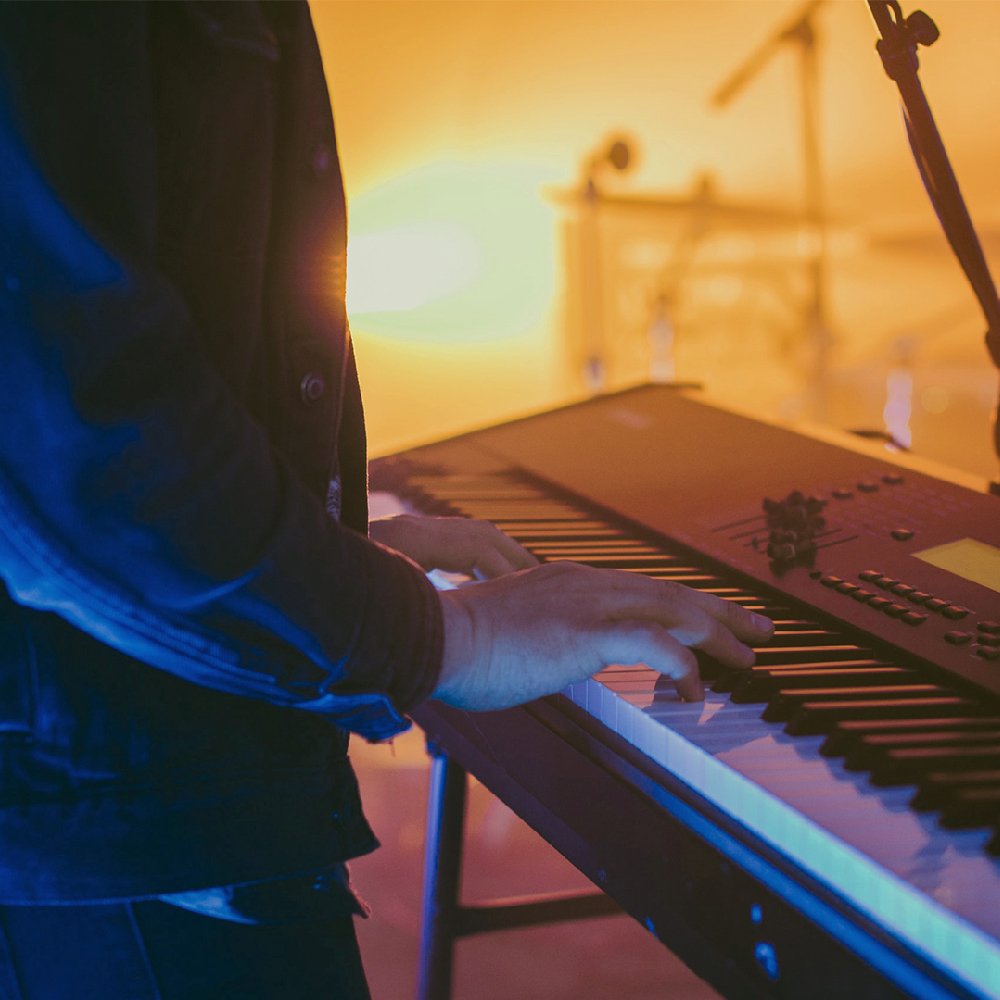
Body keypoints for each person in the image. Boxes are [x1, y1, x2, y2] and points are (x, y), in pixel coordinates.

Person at [0, 3, 772, 997]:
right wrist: (440, 638)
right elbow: (64, 426)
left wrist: (327, 556)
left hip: (145, 802)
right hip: (131, 829)